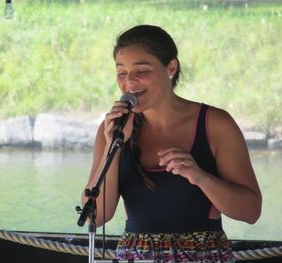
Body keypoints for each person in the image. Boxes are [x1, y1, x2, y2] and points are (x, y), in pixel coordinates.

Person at [81, 24, 262, 262]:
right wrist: (113, 146)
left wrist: (200, 177)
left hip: (203, 255)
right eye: (121, 73)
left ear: (171, 68)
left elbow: (250, 211)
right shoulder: (111, 129)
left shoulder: (215, 124)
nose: (129, 83)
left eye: (141, 71)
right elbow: (96, 216)